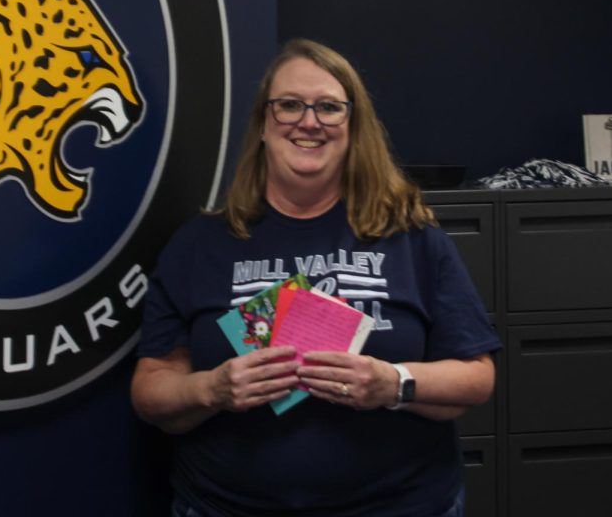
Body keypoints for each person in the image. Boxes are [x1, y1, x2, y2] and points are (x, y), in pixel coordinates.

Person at [131, 38, 500, 517]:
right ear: (263, 125)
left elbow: (476, 377)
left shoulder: (410, 237)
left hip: (401, 506)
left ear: (353, 129)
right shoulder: (200, 245)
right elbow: (151, 389)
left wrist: (393, 383)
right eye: (288, 106)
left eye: (329, 108)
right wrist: (213, 389)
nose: (309, 122)